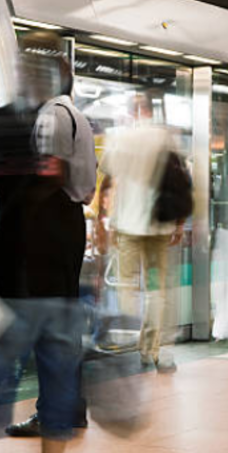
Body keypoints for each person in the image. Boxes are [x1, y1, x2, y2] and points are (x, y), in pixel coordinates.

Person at [0, 32, 95, 453]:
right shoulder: (74, 119)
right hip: (59, 273)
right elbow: (82, 192)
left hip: (6, 273)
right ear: (61, 73)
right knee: (56, 384)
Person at [5, 55, 97, 439]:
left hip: (51, 219)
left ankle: (53, 413)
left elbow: (51, 172)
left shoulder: (53, 115)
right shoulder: (75, 115)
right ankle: (70, 408)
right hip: (67, 218)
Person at [98, 91, 184, 371]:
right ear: (149, 110)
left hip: (128, 226)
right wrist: (179, 223)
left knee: (126, 283)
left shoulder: (121, 137)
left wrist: (103, 219)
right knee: (156, 289)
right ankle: (150, 349)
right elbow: (181, 181)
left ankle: (126, 340)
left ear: (131, 112)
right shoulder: (164, 137)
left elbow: (106, 174)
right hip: (159, 226)